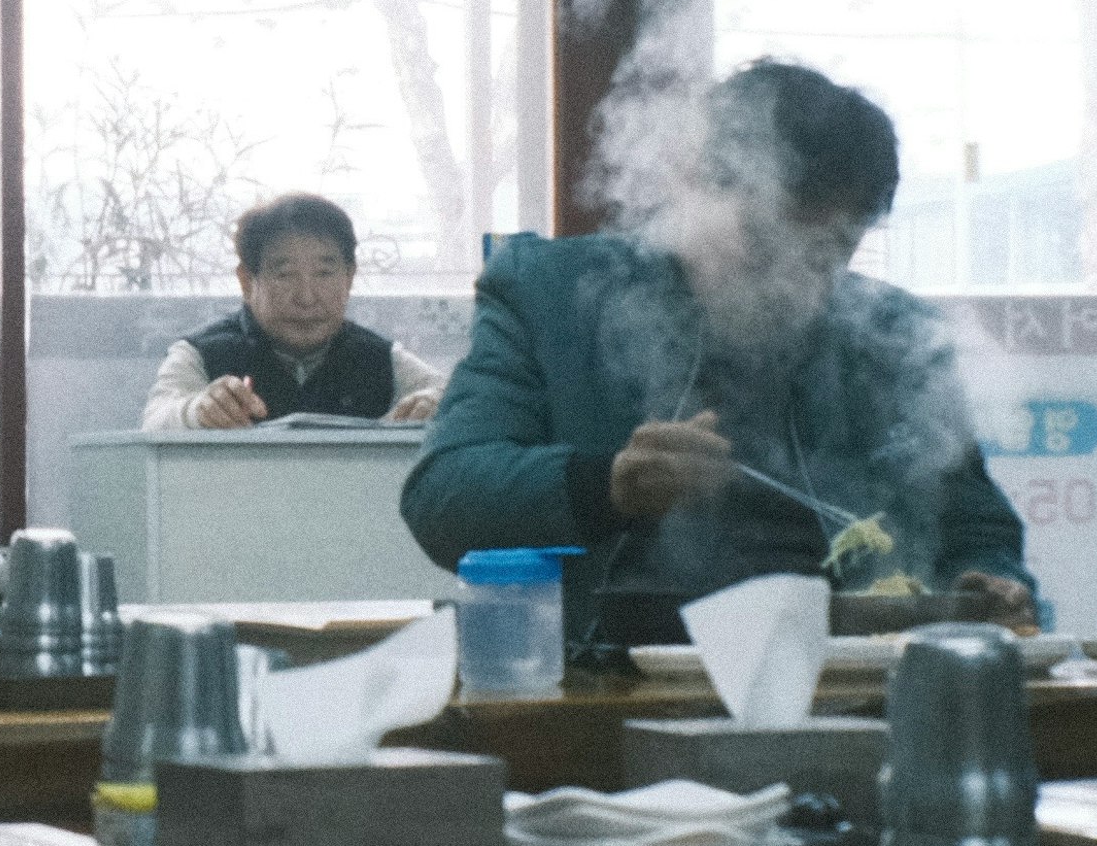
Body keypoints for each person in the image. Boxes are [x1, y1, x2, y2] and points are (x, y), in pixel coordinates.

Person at [401, 60, 1029, 648]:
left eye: (831, 247)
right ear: (699, 190)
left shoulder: (892, 334)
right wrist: (607, 485)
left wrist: (988, 579)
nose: (795, 275)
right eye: (767, 239)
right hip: (614, 671)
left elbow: (975, 526)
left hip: (847, 674)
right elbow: (444, 498)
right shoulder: (553, 294)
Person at [140, 194, 447, 429]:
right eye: (284, 274)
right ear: (247, 281)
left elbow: (462, 399)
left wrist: (436, 405)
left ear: (349, 278)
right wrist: (196, 411)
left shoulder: (381, 358)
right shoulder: (201, 354)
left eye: (324, 274)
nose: (306, 297)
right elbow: (154, 421)